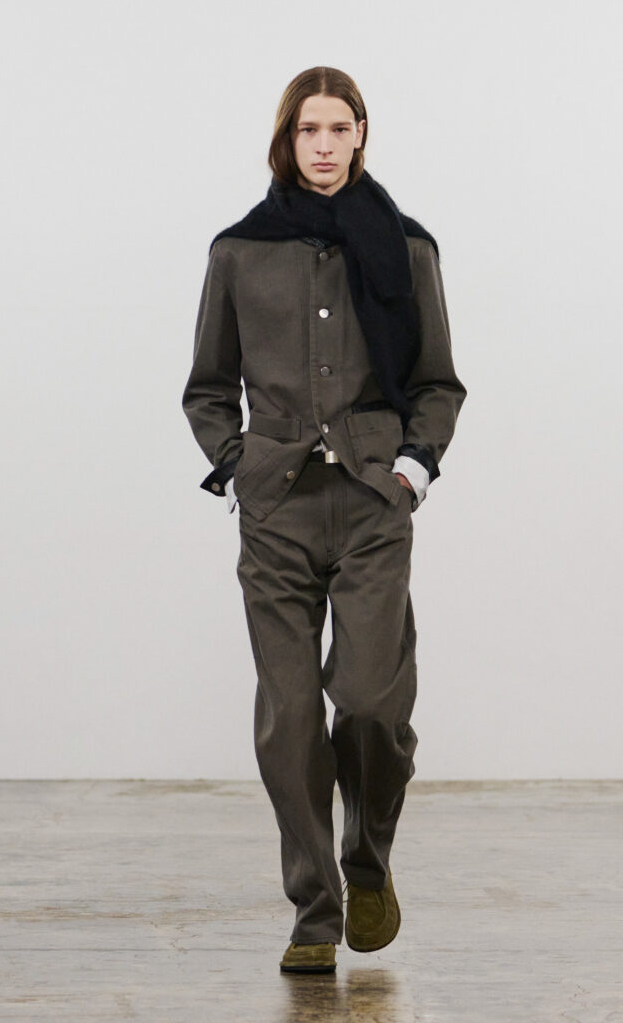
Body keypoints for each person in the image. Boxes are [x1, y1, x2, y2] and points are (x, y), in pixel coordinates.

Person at [182, 66, 467, 974]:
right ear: (287, 139)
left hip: (374, 501)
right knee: (292, 717)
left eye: (340, 128)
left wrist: (412, 469)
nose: (324, 145)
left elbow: (436, 382)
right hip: (276, 508)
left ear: (360, 135)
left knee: (374, 704)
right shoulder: (238, 251)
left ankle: (367, 861)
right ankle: (314, 910)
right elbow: (206, 386)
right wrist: (238, 468)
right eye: (309, 129)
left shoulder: (407, 248)